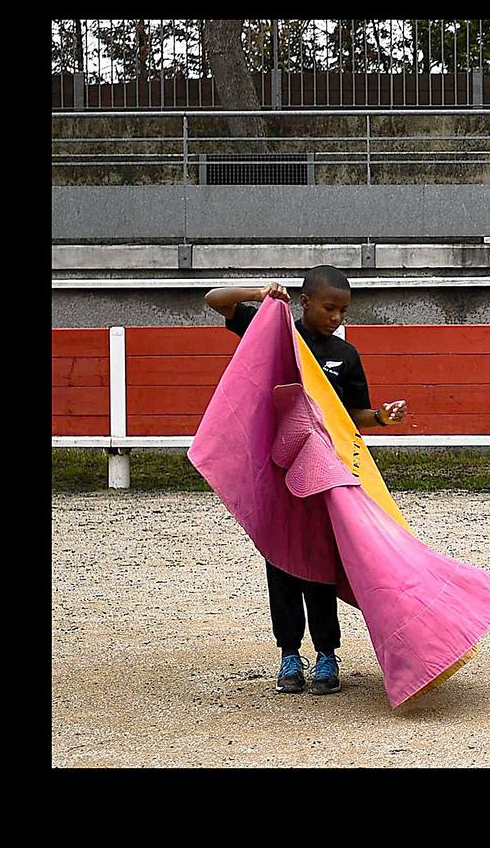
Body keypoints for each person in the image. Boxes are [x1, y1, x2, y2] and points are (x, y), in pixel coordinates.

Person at [204, 265, 409, 693]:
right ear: (306, 302)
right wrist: (260, 293)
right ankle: (289, 655)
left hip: (323, 469)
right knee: (280, 560)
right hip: (278, 467)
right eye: (330, 308)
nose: (337, 318)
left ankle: (327, 654)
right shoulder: (274, 332)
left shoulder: (344, 355)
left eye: (344, 310)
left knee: (317, 559)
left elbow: (354, 414)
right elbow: (215, 299)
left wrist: (382, 419)